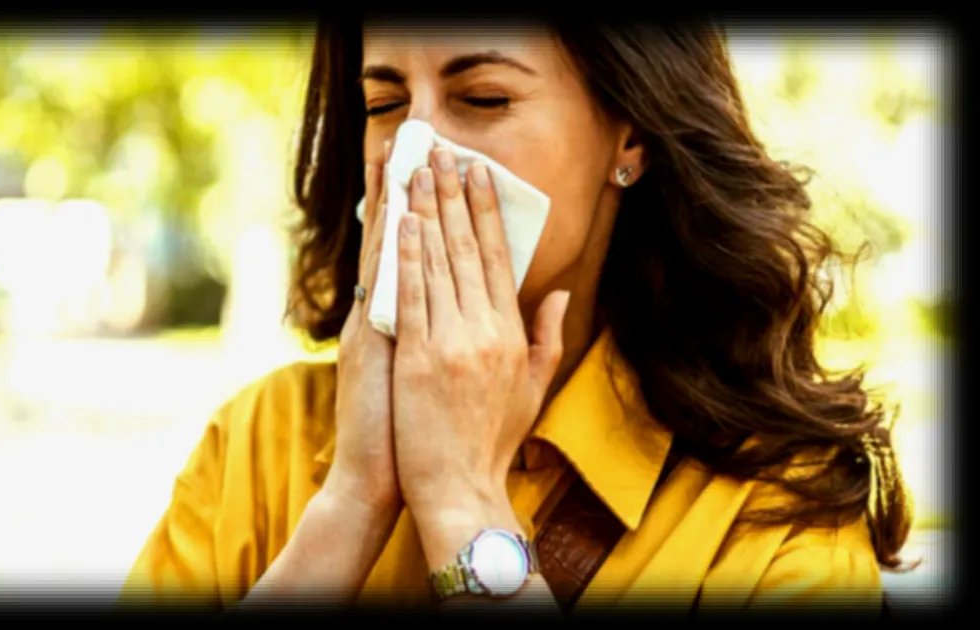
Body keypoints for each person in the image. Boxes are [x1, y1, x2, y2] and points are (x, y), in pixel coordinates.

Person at [121, 18, 914, 615]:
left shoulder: (774, 509)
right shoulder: (261, 442)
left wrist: (465, 504)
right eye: (385, 102)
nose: (416, 150)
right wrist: (353, 503)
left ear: (630, 131)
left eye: (483, 97)